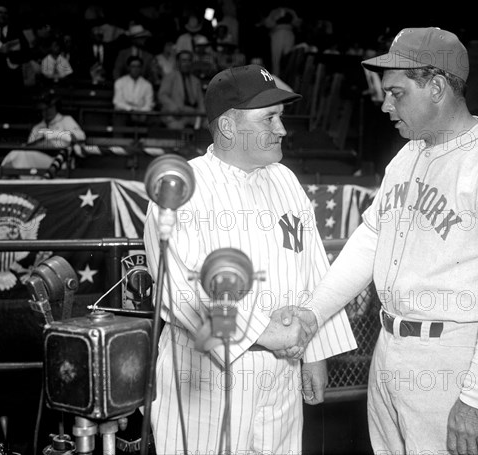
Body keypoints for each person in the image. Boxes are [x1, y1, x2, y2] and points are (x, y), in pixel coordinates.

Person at [284, 27, 478, 455]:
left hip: (455, 359)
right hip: (391, 350)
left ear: (436, 87)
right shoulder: (409, 153)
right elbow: (369, 241)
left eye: (396, 92)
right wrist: (313, 315)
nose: (385, 104)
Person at [143, 64, 357, 455]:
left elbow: (313, 270)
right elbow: (182, 291)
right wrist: (267, 333)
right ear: (227, 127)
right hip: (208, 373)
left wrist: (316, 353)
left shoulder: (285, 180)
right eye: (269, 118)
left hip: (283, 372)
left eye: (281, 117)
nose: (282, 129)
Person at [1, 93, 85, 173]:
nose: (47, 111)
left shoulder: (66, 120)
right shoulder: (37, 127)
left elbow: (81, 136)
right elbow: (30, 147)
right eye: (44, 109)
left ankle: (3, 176)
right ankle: (4, 176)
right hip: (38, 158)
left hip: (59, 161)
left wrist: (53, 135)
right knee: (16, 152)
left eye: (49, 107)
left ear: (56, 107)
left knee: (20, 155)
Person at [157, 49, 205, 131]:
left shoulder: (195, 80)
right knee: (177, 127)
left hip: (193, 114)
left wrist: (202, 114)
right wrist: (174, 108)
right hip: (176, 114)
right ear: (178, 62)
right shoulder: (170, 77)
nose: (186, 63)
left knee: (209, 125)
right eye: (184, 60)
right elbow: (162, 95)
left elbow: (201, 101)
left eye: (189, 60)